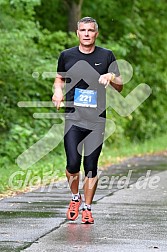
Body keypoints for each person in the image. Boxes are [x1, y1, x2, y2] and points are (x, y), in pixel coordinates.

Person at [52, 17, 123, 224]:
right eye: (82, 30)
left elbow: (120, 85)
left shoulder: (106, 55)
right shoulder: (67, 55)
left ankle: (88, 208)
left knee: (91, 166)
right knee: (73, 164)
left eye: (90, 30)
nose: (86, 34)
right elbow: (59, 78)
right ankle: (75, 197)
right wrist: (58, 92)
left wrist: (111, 76)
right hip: (73, 117)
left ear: (96, 34)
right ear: (77, 33)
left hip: (96, 120)